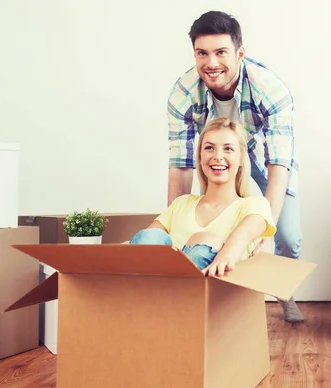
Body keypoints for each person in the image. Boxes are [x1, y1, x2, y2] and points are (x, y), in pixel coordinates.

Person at [165, 11, 304, 322]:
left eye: (221, 52)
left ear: (240, 53)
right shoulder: (183, 93)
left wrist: (265, 235)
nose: (211, 63)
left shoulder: (271, 89)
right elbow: (181, 164)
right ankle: (221, 301)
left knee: (288, 236)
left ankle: (283, 291)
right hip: (218, 158)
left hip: (263, 156)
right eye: (202, 53)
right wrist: (176, 229)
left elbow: (278, 163)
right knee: (214, 229)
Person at [129, 117, 276, 278]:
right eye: (209, 148)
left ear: (241, 158)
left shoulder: (255, 205)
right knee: (150, 236)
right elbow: (144, 242)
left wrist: (225, 256)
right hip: (153, 287)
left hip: (211, 295)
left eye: (228, 149)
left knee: (204, 241)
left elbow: (244, 234)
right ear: (200, 157)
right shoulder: (181, 203)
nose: (218, 156)